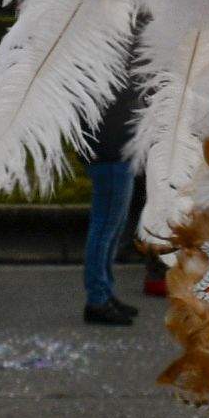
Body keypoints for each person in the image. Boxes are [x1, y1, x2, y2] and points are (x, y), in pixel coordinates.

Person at [80, 76, 140, 326]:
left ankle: (105, 291)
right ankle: (97, 299)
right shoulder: (105, 62)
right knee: (105, 228)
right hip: (111, 152)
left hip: (116, 150)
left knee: (112, 229)